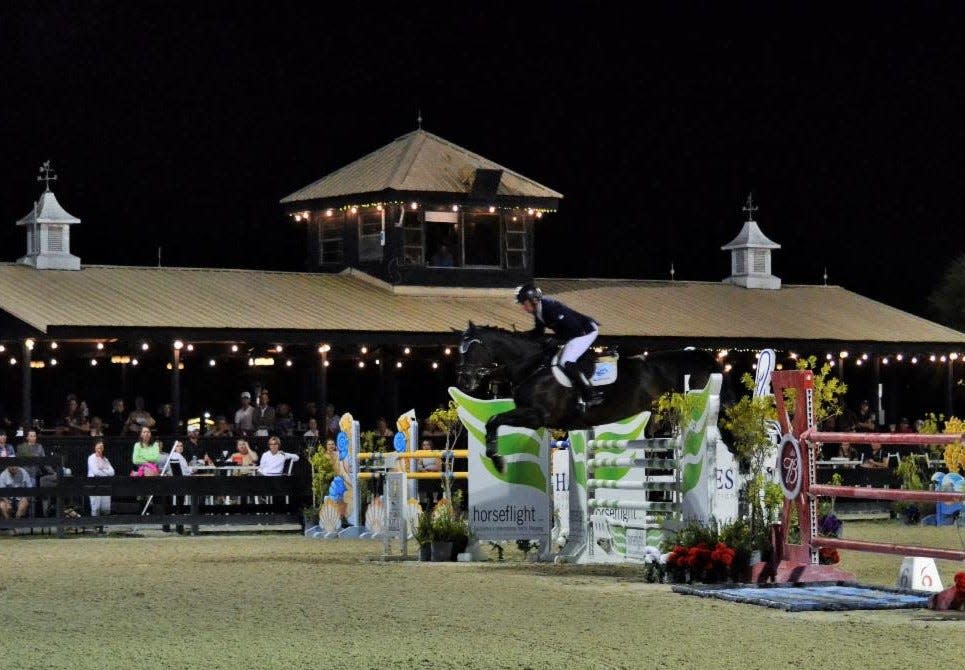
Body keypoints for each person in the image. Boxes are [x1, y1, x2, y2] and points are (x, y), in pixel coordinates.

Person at [515, 282, 602, 409]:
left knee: (566, 361)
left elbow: (573, 329)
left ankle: (591, 394)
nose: (523, 307)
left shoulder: (550, 308)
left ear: (533, 300)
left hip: (585, 332)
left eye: (524, 303)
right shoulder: (538, 311)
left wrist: (556, 341)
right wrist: (520, 336)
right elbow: (538, 332)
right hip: (574, 333)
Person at [86, 439, 115, 517]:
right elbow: (96, 472)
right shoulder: (91, 458)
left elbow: (112, 472)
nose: (100, 449)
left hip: (105, 484)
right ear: (95, 448)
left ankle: (104, 525)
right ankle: (95, 524)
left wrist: (103, 470)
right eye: (98, 447)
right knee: (96, 506)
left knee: (105, 507)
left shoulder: (105, 459)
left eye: (101, 447)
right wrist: (106, 471)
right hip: (94, 484)